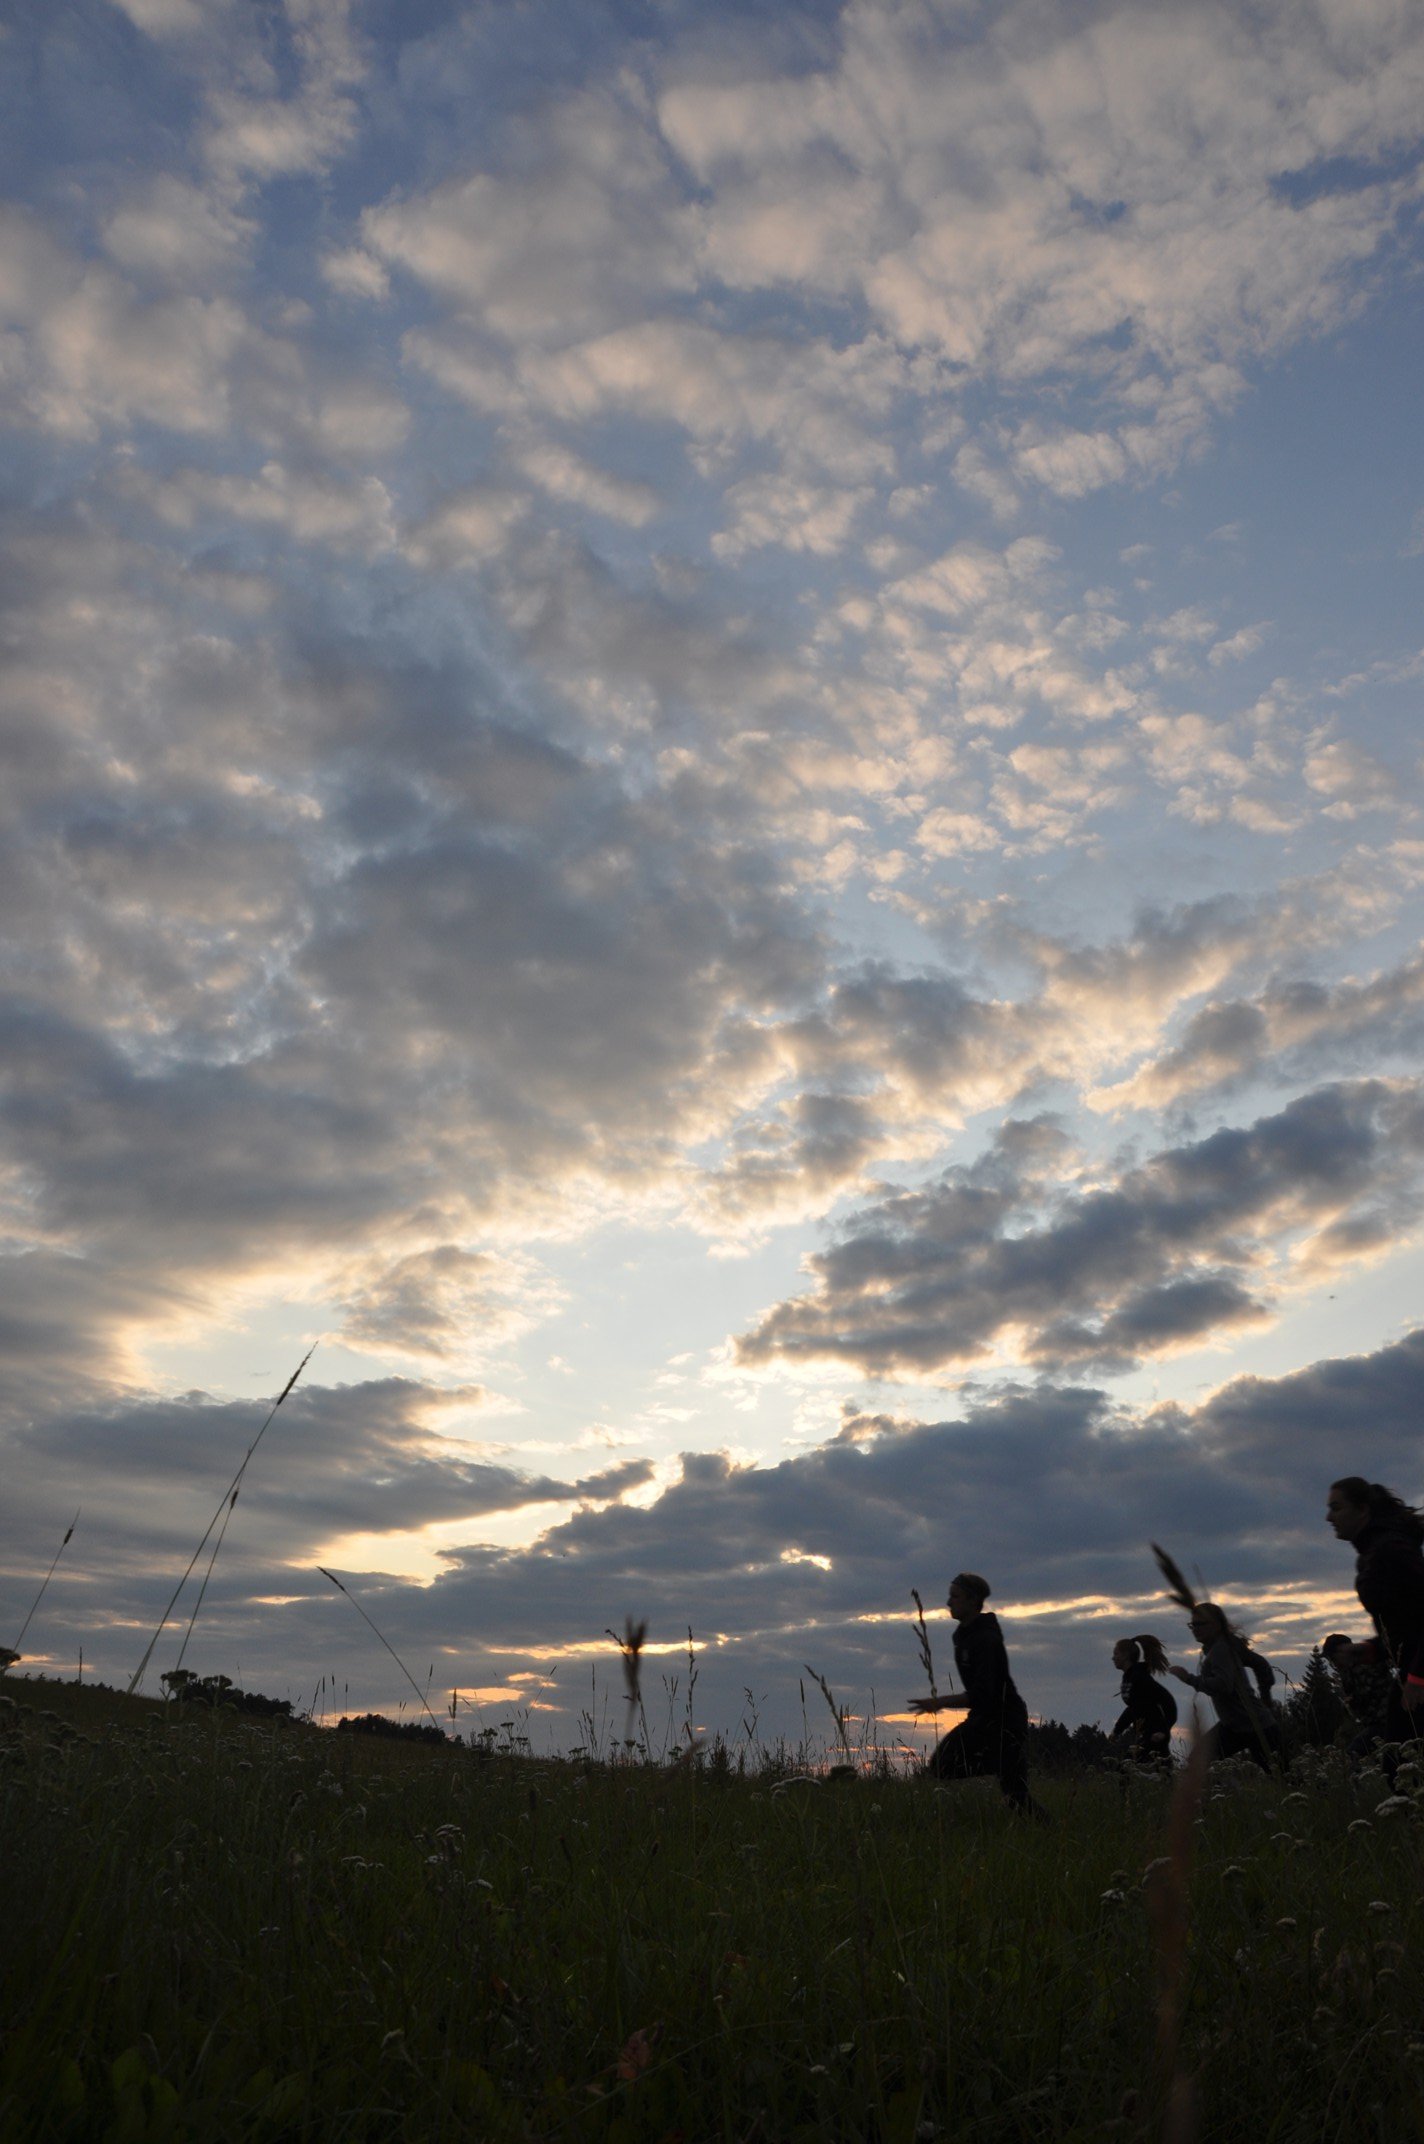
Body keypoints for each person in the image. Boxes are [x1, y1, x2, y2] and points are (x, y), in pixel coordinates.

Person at [909, 1573, 1046, 1816]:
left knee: (1016, 1798)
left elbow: (983, 1694)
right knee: (942, 1765)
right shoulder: (963, 1636)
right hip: (983, 1718)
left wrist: (939, 1702)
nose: (949, 1602)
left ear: (972, 1601)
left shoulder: (986, 1639)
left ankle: (1005, 1766)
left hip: (1004, 1720)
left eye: (955, 1596)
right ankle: (1002, 1765)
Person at [1326, 1477, 1424, 1751]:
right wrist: (1372, 1650)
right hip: (1410, 1670)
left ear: (1362, 1510)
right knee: (1398, 1759)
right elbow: (1406, 1622)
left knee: (1401, 1760)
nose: (1328, 1517)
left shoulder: (1391, 1549)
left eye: (1336, 1508)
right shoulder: (1372, 1553)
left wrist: (1418, 1677)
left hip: (1417, 1673)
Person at [1167, 1601, 1280, 1768]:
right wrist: (1266, 1698)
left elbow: (1223, 1685)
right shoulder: (1223, 1647)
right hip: (1236, 1726)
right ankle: (1229, 1786)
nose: (1195, 1629)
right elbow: (1260, 1664)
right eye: (1193, 1625)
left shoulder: (1221, 1649)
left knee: (1282, 1774)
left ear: (1217, 1625)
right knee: (1198, 1763)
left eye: (1201, 1624)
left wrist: (1189, 1679)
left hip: (1256, 1726)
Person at [1320, 1631, 1395, 1757]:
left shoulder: (1368, 1663)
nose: (1332, 1662)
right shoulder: (1347, 1672)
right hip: (1374, 1724)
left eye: (1333, 1657)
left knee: (1354, 1753)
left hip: (1386, 1721)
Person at [1109, 1635, 1178, 1767]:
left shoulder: (1140, 1678)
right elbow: (1133, 1708)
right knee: (1162, 1771)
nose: (1113, 1658)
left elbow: (1168, 1701)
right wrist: (1117, 1730)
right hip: (1146, 1734)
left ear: (1126, 1655)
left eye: (1116, 1654)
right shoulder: (1129, 1677)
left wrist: (1162, 1730)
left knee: (1126, 1769)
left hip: (1154, 1735)